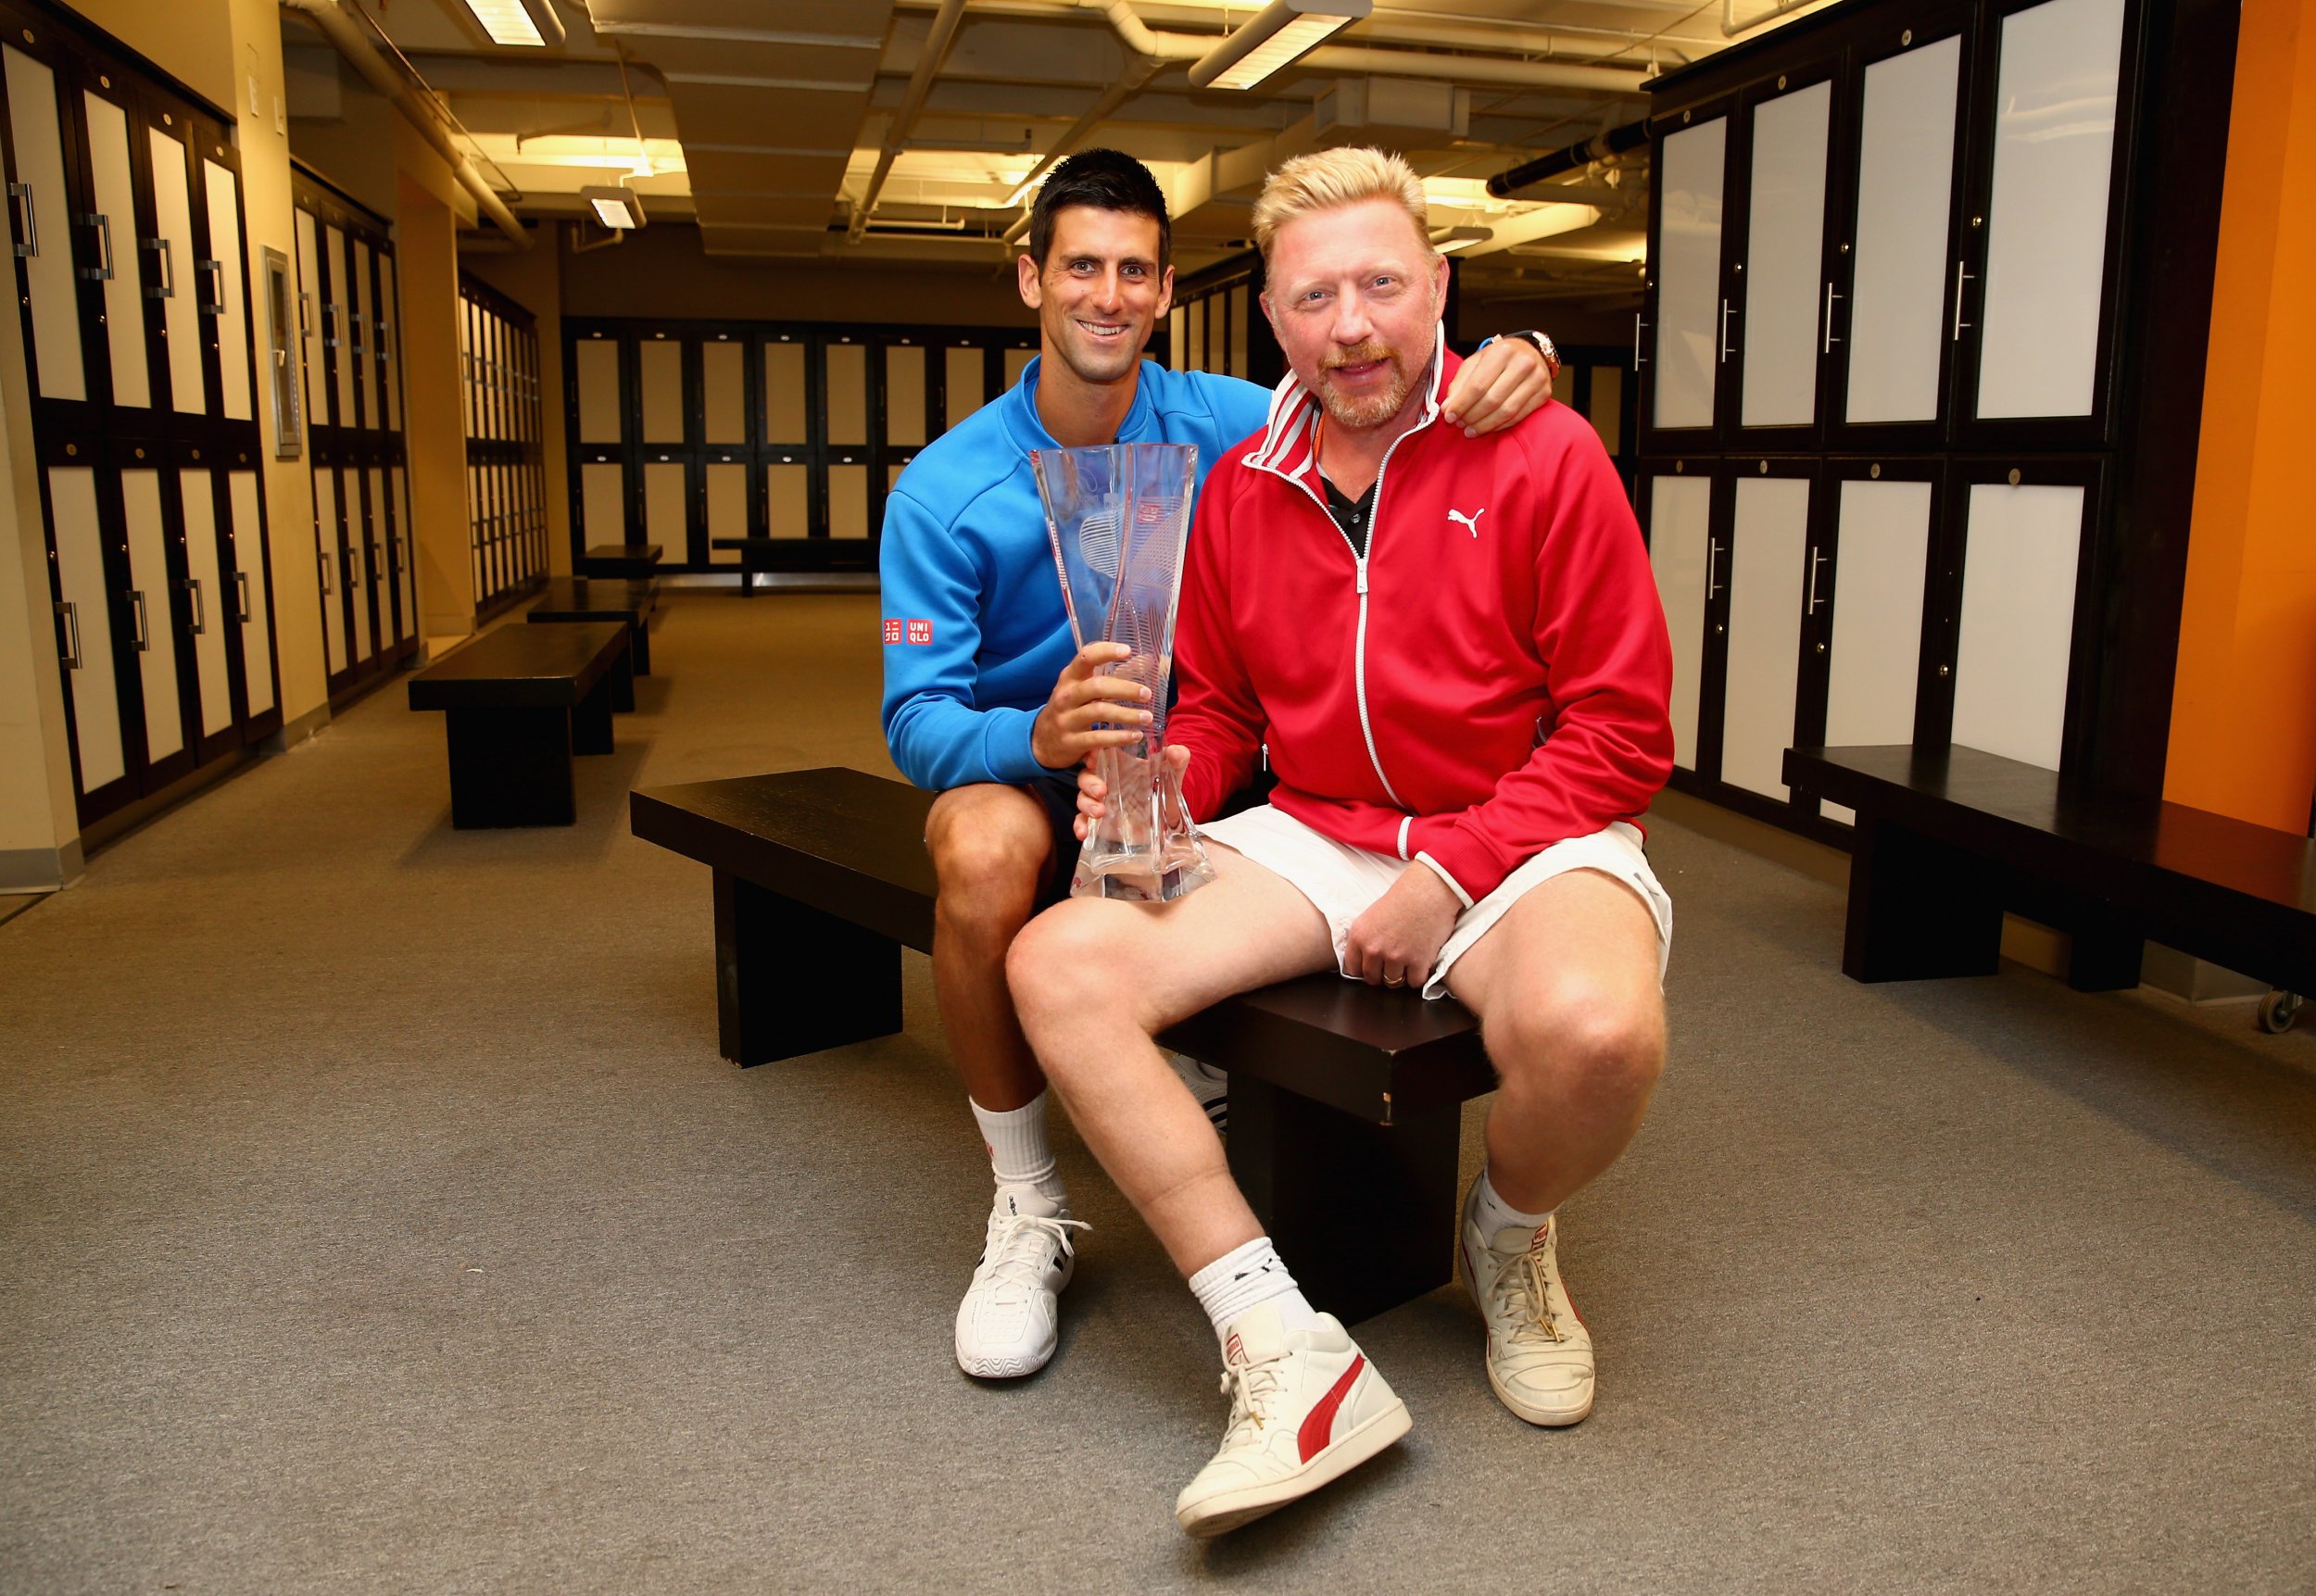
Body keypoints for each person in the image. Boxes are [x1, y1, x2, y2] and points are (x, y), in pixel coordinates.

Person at [1003, 147, 1675, 1537]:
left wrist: (1451, 873)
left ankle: (1511, 1233)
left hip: (1524, 832)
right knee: (1062, 961)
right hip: (1320, 832)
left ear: (1440, 288)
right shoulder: (1245, 482)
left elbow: (1620, 730)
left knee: (1601, 1035)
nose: (1351, 326)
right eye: (1315, 298)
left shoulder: (1542, 449)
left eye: (1382, 285)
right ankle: (1283, 1351)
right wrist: (1162, 780)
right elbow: (1234, 712)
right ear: (1273, 322)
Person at [878, 149, 1561, 1384]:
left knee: (1286, 782)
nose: (1107, 294)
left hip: (1196, 749)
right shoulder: (943, 488)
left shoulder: (1232, 418)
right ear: (1030, 277)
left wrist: (1521, 359)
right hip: (1022, 758)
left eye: (1134, 270)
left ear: (1165, 288)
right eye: (1080, 265)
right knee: (982, 854)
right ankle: (1029, 1206)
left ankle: (1196, 1053)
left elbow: (1374, 387)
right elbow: (915, 724)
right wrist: (1031, 739)